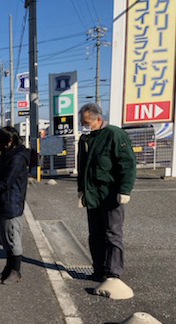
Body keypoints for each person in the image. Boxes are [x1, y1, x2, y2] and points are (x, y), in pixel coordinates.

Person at [77, 103, 136, 297]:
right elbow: (82, 167)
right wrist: (81, 191)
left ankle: (114, 273)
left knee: (112, 234)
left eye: (86, 122)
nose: (83, 125)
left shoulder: (114, 135)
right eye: (82, 122)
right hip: (92, 193)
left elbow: (127, 164)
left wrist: (125, 189)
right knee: (95, 234)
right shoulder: (85, 139)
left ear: (98, 119)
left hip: (110, 193)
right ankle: (99, 270)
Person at [0, 126, 29, 284]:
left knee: (13, 239)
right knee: (5, 239)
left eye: (0, 141)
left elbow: (5, 183)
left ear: (9, 141)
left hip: (12, 204)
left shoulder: (17, 158)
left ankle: (16, 272)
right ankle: (8, 269)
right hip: (3, 203)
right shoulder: (6, 155)